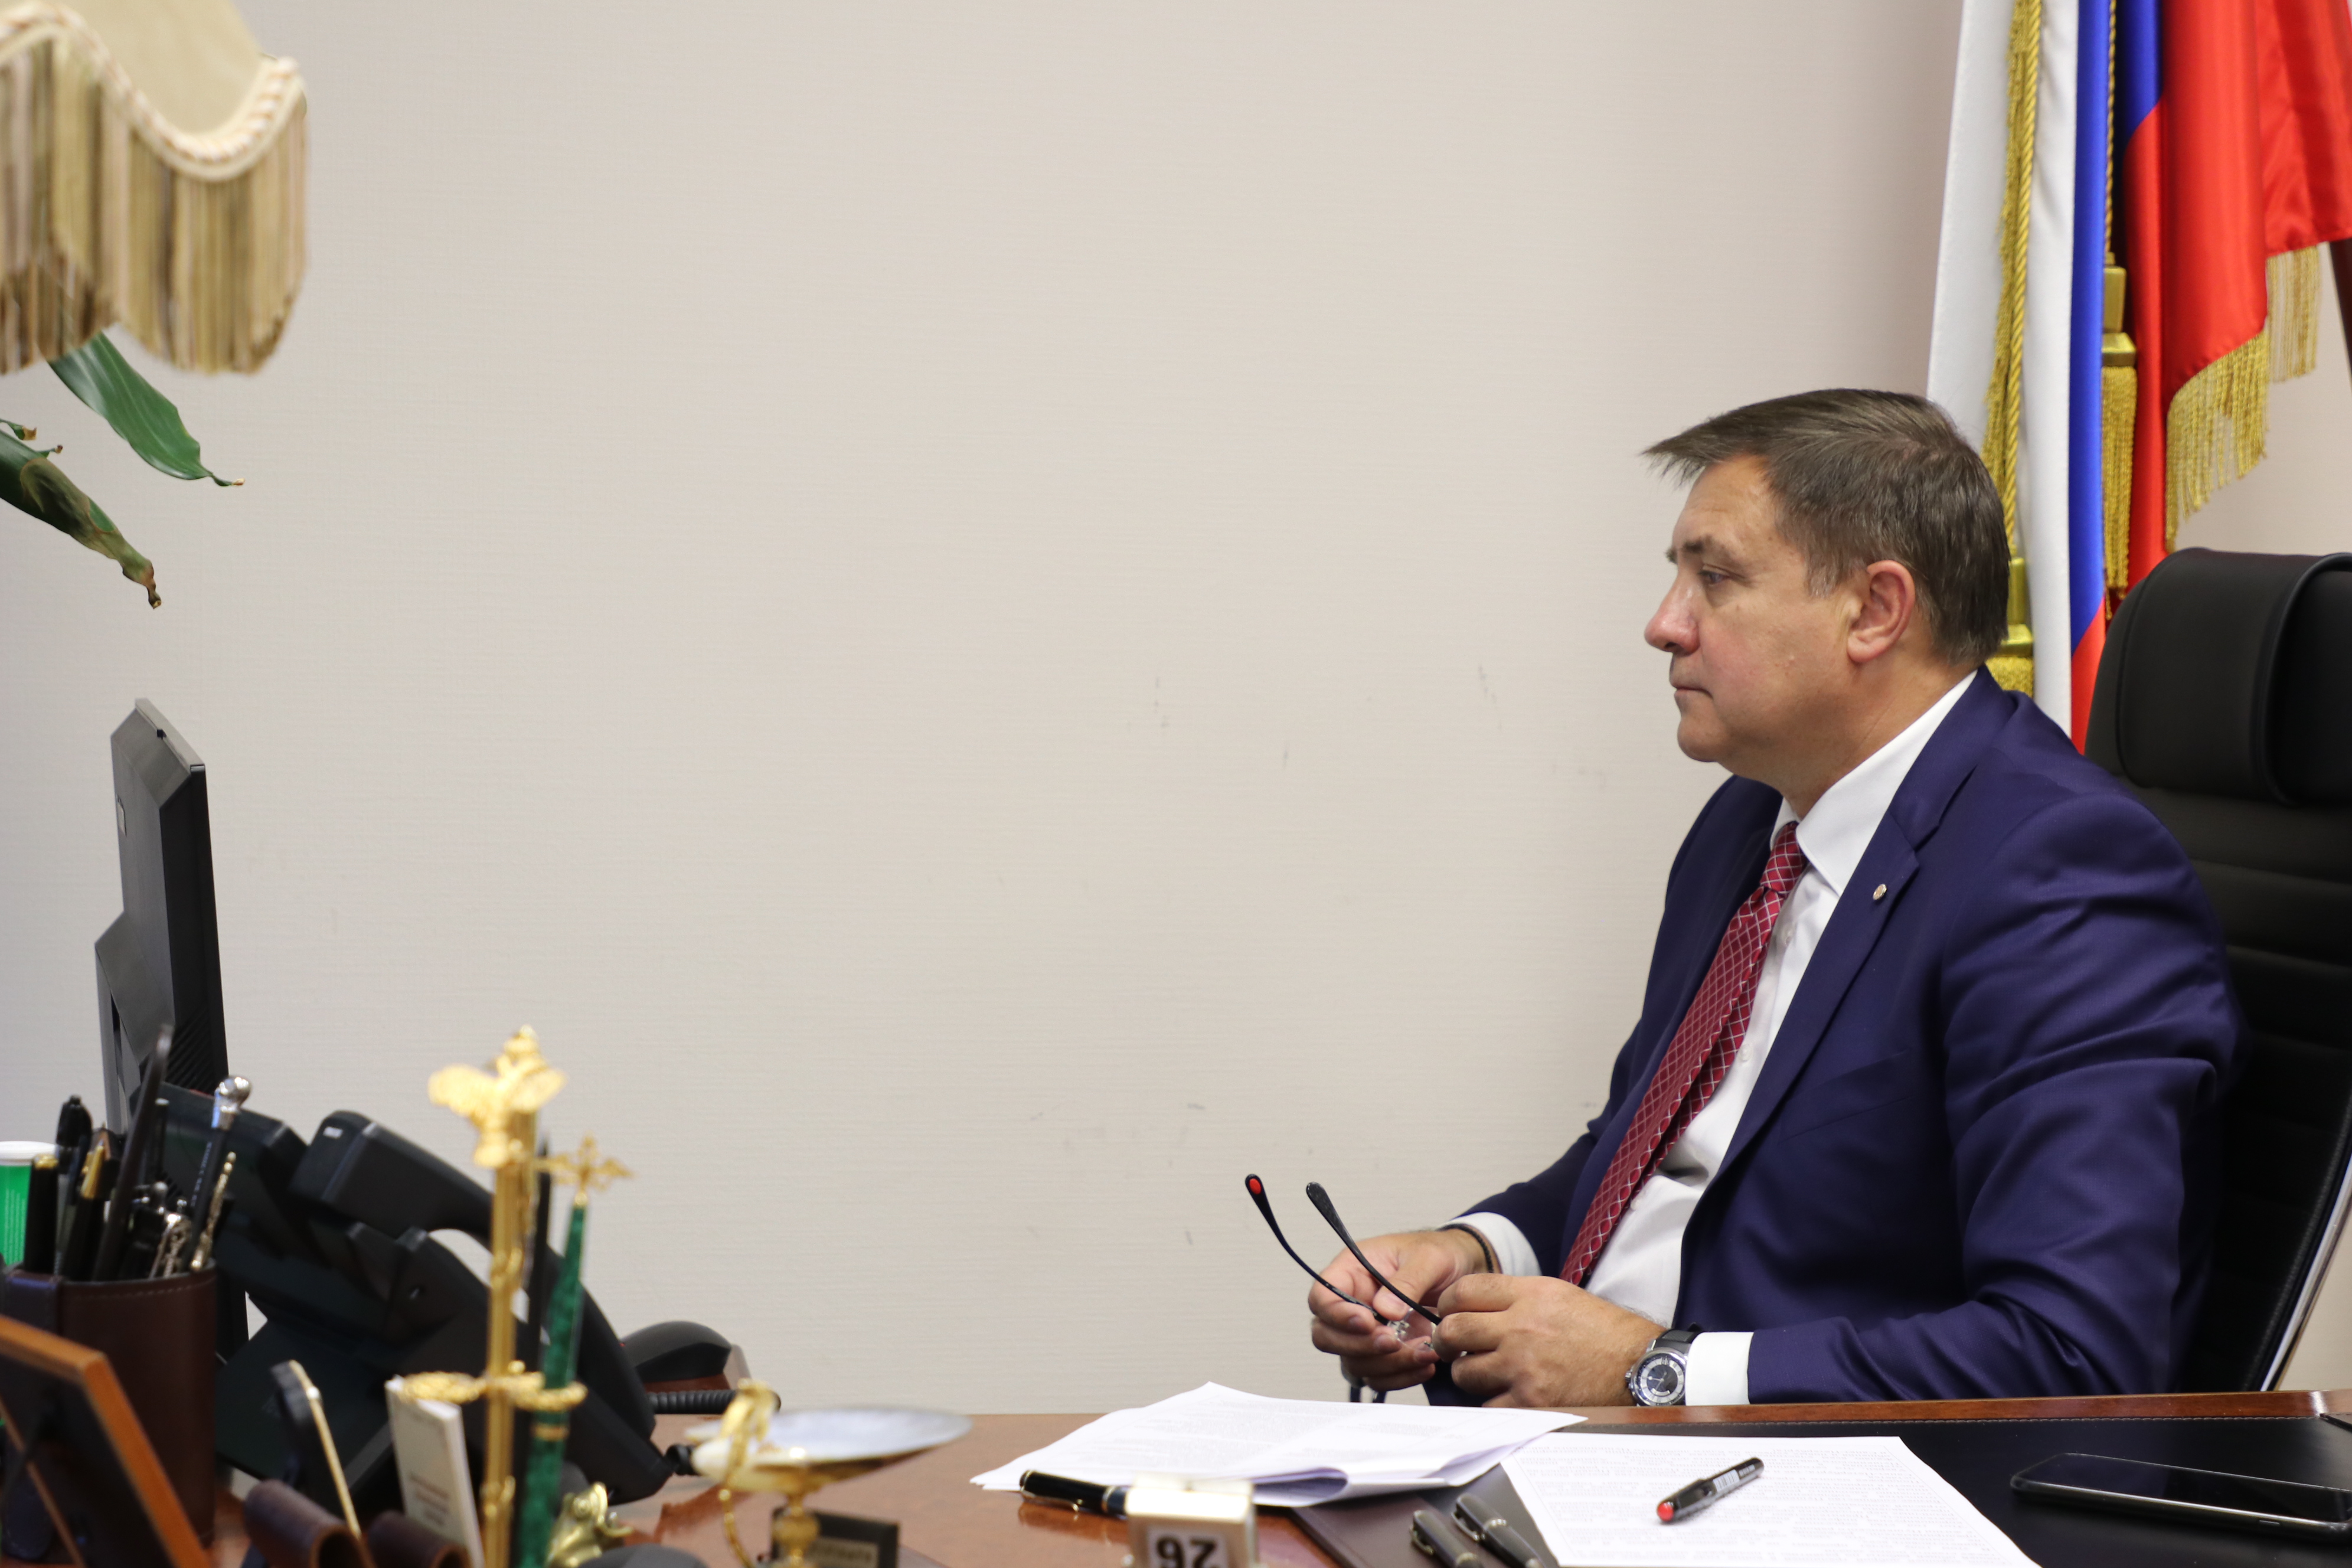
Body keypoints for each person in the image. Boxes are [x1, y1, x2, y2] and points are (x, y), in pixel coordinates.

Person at [1308, 390, 2241, 1408]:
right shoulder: (1753, 818)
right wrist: (1474, 1251)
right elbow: (1655, 1154)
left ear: (1874, 611)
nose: (1665, 624)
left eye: (1714, 579)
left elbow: (2071, 1355)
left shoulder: (2062, 875)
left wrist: (1654, 1372)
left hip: (1819, 1480)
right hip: (1589, 1447)